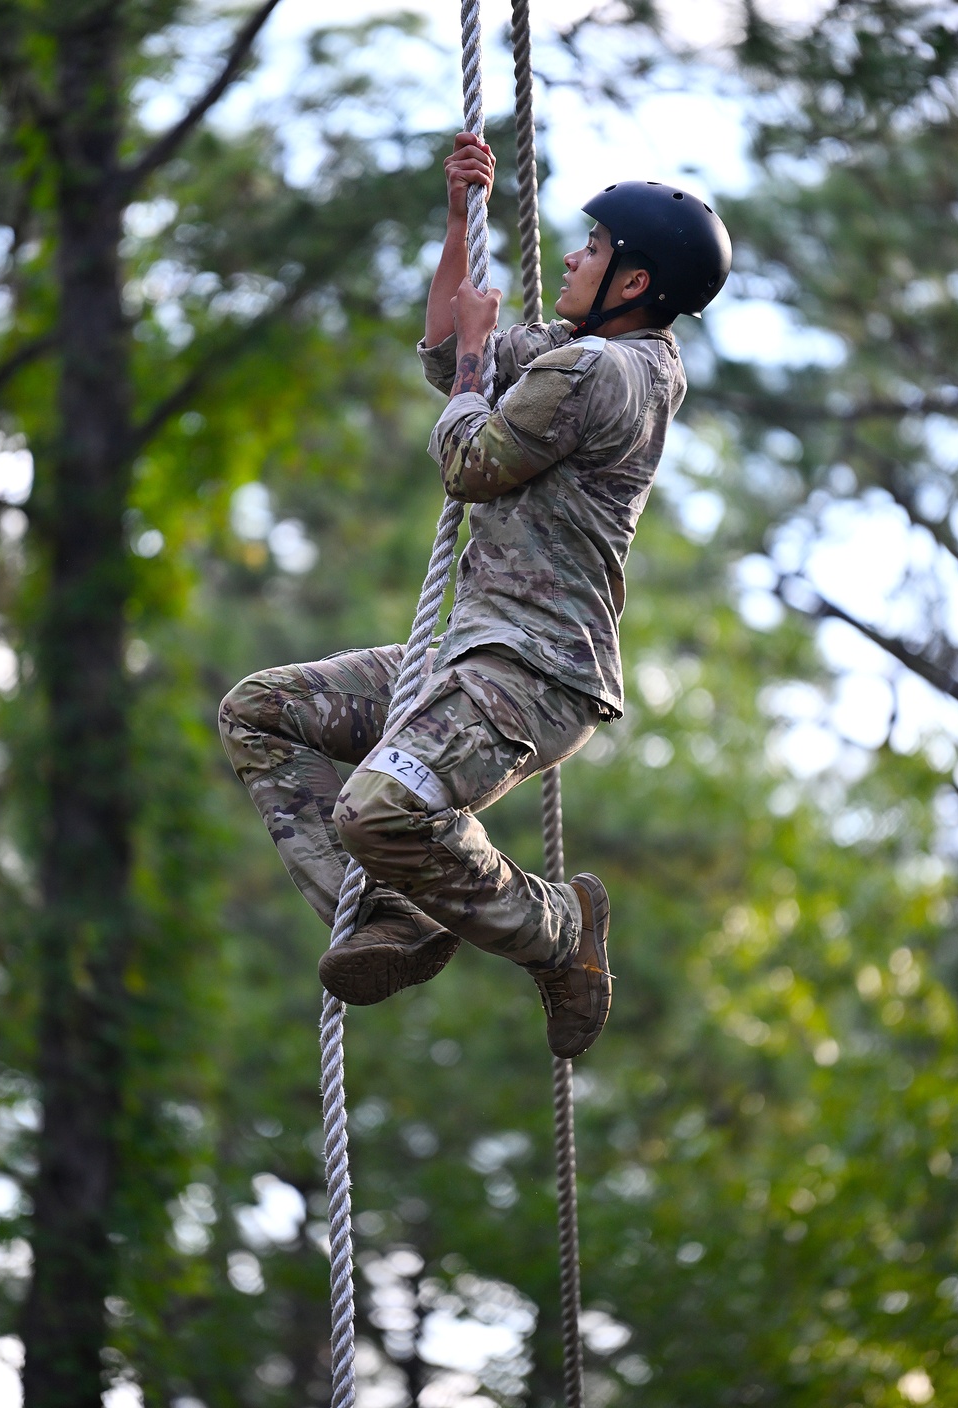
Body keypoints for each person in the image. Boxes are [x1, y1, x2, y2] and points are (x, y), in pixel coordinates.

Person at [219, 132, 731, 1060]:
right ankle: (392, 908)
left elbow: (470, 460)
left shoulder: (599, 373)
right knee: (262, 712)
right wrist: (462, 219)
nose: (573, 257)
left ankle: (556, 929)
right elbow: (452, 343)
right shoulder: (607, 355)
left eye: (594, 248)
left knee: (376, 807)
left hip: (534, 674)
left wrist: (469, 369)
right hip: (476, 658)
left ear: (631, 284)